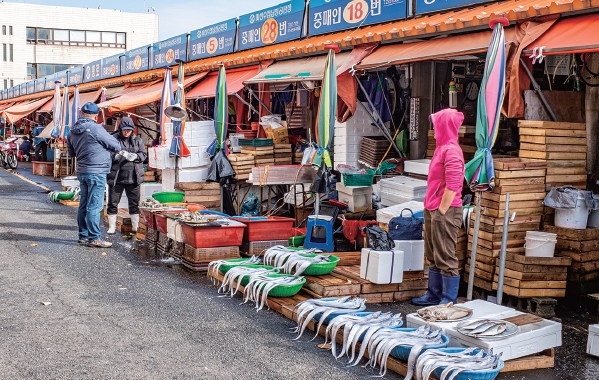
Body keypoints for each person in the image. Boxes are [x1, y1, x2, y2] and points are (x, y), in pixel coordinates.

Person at [413, 108, 465, 306]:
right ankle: (433, 295)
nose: (433, 130)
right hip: (433, 207)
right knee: (433, 254)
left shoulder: (452, 150)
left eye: (436, 126)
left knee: (445, 256)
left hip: (446, 209)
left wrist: (442, 210)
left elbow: (453, 185)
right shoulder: (441, 148)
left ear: (444, 127)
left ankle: (448, 300)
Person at [67, 102, 121, 248]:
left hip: (82, 171)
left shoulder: (72, 131)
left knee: (83, 204)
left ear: (81, 113)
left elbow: (71, 153)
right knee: (94, 206)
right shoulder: (96, 128)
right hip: (97, 172)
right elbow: (116, 146)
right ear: (96, 116)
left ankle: (83, 236)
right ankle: (94, 238)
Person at [106, 117, 147, 234]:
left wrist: (136, 156)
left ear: (132, 130)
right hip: (116, 177)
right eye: (124, 130)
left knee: (134, 203)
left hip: (133, 178)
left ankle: (135, 227)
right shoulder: (113, 139)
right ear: (120, 129)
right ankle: (112, 227)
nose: (126, 132)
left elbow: (143, 154)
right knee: (112, 203)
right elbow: (107, 154)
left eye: (129, 130)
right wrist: (116, 156)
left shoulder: (138, 140)